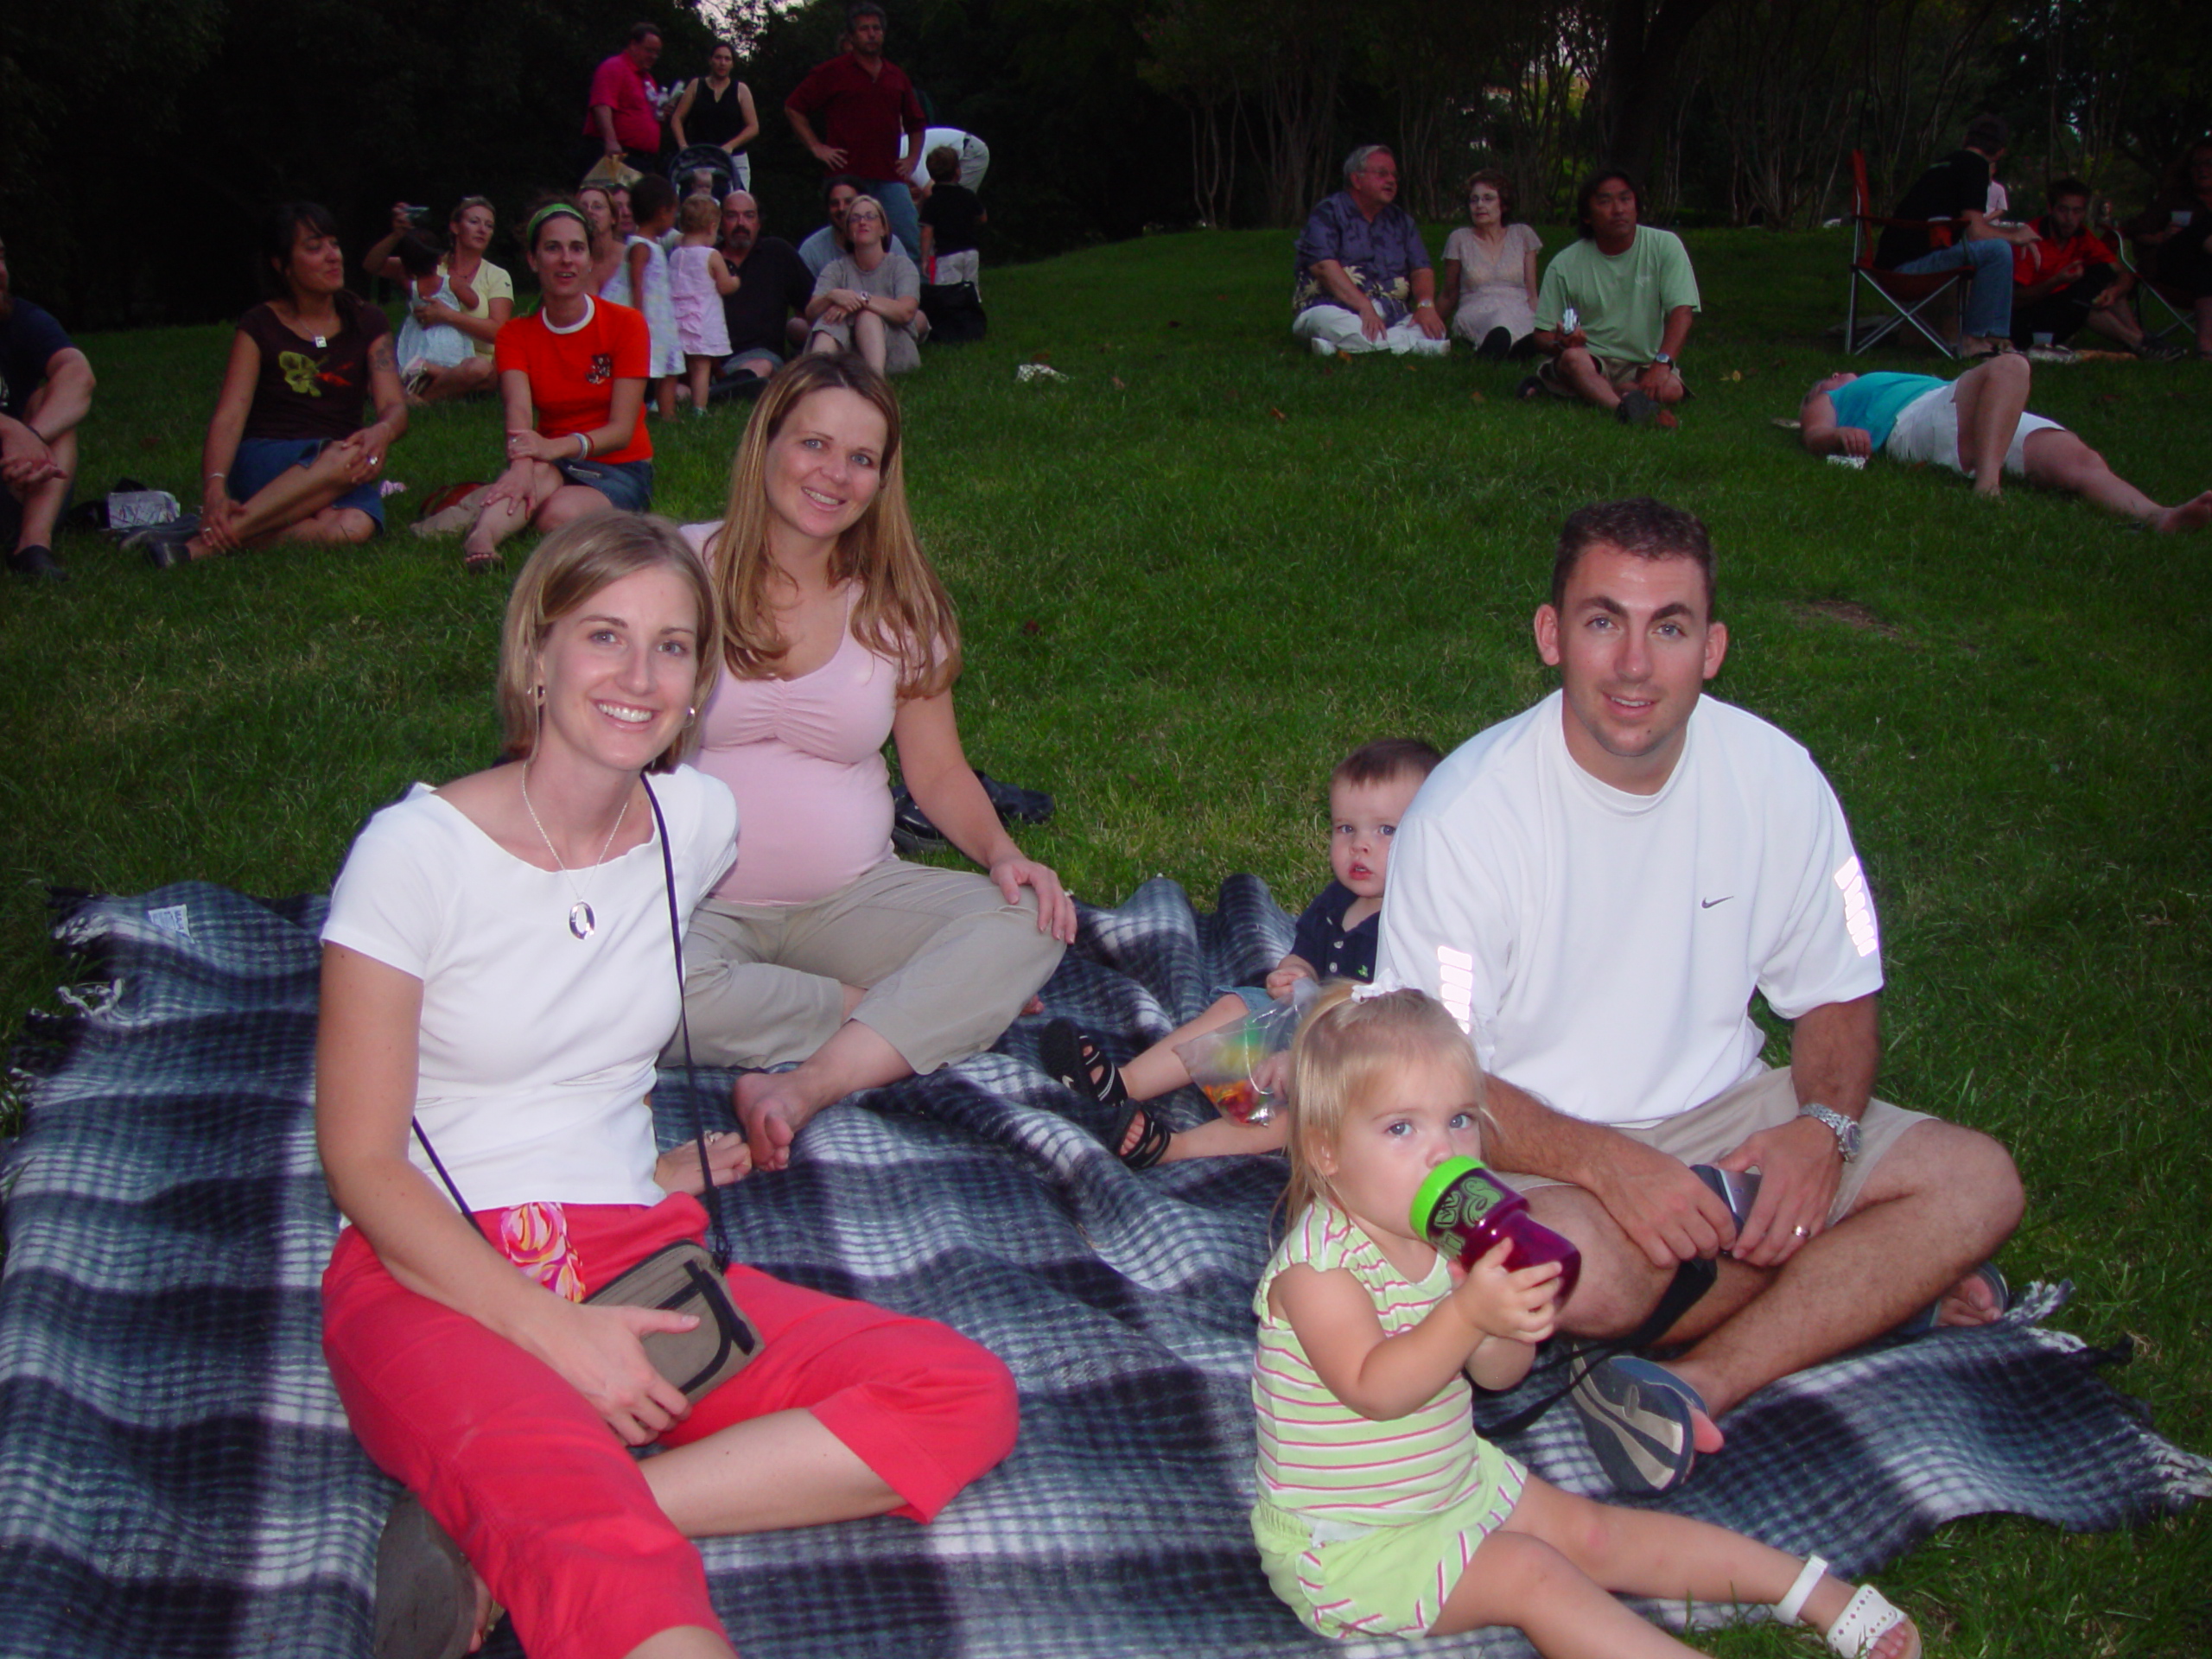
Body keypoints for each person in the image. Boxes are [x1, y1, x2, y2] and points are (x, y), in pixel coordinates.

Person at [316, 512, 1018, 1659]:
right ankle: (561, 1508)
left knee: (959, 1390)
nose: (639, 678)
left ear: (703, 684)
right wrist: (552, 1331)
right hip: (437, 1266)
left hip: (630, 1244)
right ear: (536, 656)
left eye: (675, 647)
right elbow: (357, 1160)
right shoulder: (416, 855)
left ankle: (519, 1517)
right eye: (604, 637)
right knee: (625, 1586)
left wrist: (642, 1173)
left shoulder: (693, 821)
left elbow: (580, 1036)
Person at [1376, 497, 2024, 1495]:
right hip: (1525, 1144)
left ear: (1711, 648)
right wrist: (1614, 1167)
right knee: (1573, 1273)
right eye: (1603, 621)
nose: (1634, 665)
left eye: (1667, 627)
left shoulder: (1777, 778)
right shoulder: (1465, 816)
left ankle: (1699, 1381)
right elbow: (1429, 1093)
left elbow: (1839, 998)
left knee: (1978, 1182)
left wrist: (1823, 1132)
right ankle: (1865, 1286)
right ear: (1552, 636)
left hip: (1727, 1117)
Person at [1249, 985, 1921, 1659]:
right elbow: (1378, 1387)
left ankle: (1804, 1587)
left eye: (1459, 1120)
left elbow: (1497, 1374)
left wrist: (1511, 1319)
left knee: (1593, 1535)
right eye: (1401, 1128)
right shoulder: (1318, 1273)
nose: (1443, 1151)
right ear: (1327, 1151)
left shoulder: (1450, 1241)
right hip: (1351, 1545)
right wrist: (1468, 1311)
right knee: (1532, 1576)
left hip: (1451, 1483)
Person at [675, 353, 1074, 1174]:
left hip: (854, 899)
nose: (835, 475)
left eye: (862, 458)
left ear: (883, 477)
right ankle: (891, 1017)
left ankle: (806, 1085)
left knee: (1031, 920)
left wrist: (1004, 855)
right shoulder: (680, 570)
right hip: (692, 900)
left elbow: (937, 774)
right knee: (636, 999)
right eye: (814, 444)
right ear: (766, 443)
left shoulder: (899, 602)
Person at [1039, 739, 1442, 1169]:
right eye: (1346, 828)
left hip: (1362, 1059)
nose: (1360, 846)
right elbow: (1304, 952)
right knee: (1237, 1003)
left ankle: (1173, 1148)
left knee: (1305, 1114)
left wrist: (1307, 1061)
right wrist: (1293, 971)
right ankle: (1124, 1084)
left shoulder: (1411, 927)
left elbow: (1389, 1028)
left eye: (1385, 830)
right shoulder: (1338, 899)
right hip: (1308, 1019)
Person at [143, 202, 406, 569]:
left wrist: (382, 431)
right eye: (315, 248)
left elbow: (393, 405)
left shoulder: (368, 320)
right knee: (339, 456)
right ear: (282, 265)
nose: (333, 257)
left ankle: (211, 538)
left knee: (353, 527)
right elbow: (230, 415)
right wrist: (215, 487)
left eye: (334, 244)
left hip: (344, 466)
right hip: (269, 455)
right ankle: (203, 546)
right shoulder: (260, 325)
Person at [445, 200, 653, 574]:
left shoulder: (627, 324)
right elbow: (519, 412)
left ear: (590, 259)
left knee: (554, 516)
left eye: (577, 248)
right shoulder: (515, 334)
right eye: (553, 248)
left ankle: (514, 505)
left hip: (619, 464)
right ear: (533, 259)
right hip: (550, 459)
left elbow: (622, 431)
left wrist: (548, 448)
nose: (566, 260)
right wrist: (523, 463)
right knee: (533, 478)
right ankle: (482, 538)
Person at [1800, 362, 2211, 530]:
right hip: (1915, 422)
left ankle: (2160, 516)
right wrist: (1838, 436)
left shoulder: (1902, 378)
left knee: (2080, 462)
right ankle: (1988, 483)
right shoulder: (1831, 397)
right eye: (1831, 376)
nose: (1840, 374)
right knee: (2011, 365)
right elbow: (1815, 435)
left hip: (1970, 412)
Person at [1524, 168, 1697, 425]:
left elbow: (1682, 312)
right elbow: (1542, 336)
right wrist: (1562, 343)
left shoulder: (1665, 246)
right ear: (1586, 216)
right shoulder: (1565, 263)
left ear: (1636, 206)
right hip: (1590, 358)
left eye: (1625, 199)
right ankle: (1624, 408)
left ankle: (1583, 390)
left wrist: (1661, 364)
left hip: (1641, 362)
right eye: (1605, 202)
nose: (1618, 210)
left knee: (1672, 389)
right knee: (1573, 359)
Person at [1872, 115, 2041, 359]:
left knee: (1995, 248)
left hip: (1890, 265)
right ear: (2000, 152)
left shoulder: (1943, 164)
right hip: (1908, 271)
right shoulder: (1975, 165)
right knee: (1998, 251)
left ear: (1965, 139)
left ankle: (1994, 339)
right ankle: (1976, 340)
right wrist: (2016, 236)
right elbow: (1977, 231)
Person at [785, 3, 928, 262]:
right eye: (864, 29)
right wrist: (817, 147)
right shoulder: (831, 72)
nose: (871, 34)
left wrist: (912, 159)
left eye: (876, 29)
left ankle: (915, 298)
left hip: (889, 176)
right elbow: (794, 107)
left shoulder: (895, 76)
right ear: (851, 36)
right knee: (846, 244)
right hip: (845, 177)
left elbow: (916, 122)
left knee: (907, 241)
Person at [1290, 145, 1448, 357]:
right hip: (1331, 307)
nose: (1391, 180)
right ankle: (1416, 346)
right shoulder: (1328, 212)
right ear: (1356, 180)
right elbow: (1322, 266)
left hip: (1391, 313)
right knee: (1339, 324)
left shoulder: (1402, 221)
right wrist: (1364, 306)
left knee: (1431, 326)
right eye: (1382, 174)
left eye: (1394, 175)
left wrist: (1426, 306)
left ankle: (1336, 346)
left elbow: (1421, 269)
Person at [0, 235, 94, 581]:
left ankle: (32, 546)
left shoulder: (20, 319)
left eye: (0, 258)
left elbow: (78, 374)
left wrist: (31, 440)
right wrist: (9, 430)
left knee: (49, 402)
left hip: (20, 480)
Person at [361, 197, 515, 402]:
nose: (482, 229)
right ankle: (419, 393)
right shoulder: (428, 263)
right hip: (422, 353)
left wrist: (447, 316)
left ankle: (416, 400)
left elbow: (499, 332)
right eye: (474, 222)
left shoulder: (497, 275)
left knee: (478, 370)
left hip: (472, 366)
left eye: (489, 226)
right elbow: (372, 266)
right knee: (369, 374)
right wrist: (397, 235)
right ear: (455, 227)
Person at [2010, 179, 2166, 357]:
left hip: (2063, 309)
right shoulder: (2031, 239)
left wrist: (2114, 292)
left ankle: (2140, 340)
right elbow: (2015, 300)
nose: (2069, 219)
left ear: (2084, 212)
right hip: (2027, 320)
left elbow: (2122, 272)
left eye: (2077, 211)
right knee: (2081, 295)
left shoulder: (2082, 235)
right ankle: (2139, 343)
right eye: (2063, 210)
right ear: (2050, 209)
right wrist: (2056, 281)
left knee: (2104, 274)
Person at [804, 194, 925, 376]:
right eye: (855, 218)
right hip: (846, 348)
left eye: (870, 216)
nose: (863, 222)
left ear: (883, 228)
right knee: (830, 318)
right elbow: (811, 312)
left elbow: (906, 312)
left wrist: (860, 300)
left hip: (892, 349)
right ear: (848, 232)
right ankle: (817, 378)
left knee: (867, 315)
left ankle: (876, 380)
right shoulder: (836, 268)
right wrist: (832, 296)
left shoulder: (901, 265)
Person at [710, 190, 814, 396]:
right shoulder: (705, 258)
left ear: (758, 223)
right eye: (732, 216)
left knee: (762, 366)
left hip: (761, 358)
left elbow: (812, 305)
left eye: (749, 216)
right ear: (721, 223)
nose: (741, 223)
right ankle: (719, 390)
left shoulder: (776, 253)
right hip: (709, 359)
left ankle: (721, 392)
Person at [2123, 136, 2212, 359]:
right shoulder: (2175, 198)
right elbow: (2133, 228)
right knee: (2204, 226)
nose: (2202, 169)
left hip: (2201, 272)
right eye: (2196, 164)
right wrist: (2161, 237)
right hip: (2170, 266)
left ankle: (2206, 347)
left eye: (2209, 163)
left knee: (2207, 268)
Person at [604, 175, 684, 420]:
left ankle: (667, 414)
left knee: (671, 369)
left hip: (661, 322)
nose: (674, 218)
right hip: (647, 320)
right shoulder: (641, 246)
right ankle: (632, 411)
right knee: (638, 370)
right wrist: (637, 316)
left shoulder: (654, 244)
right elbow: (636, 281)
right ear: (662, 212)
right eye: (673, 212)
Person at [1440, 169, 1542, 359]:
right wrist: (1433, 325)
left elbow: (1532, 293)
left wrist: (1545, 322)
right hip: (1477, 310)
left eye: (1488, 199)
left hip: (1518, 308)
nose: (1479, 205)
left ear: (1503, 204)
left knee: (1519, 322)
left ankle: (1513, 349)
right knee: (1499, 321)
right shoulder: (1459, 239)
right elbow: (1449, 293)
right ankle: (1502, 349)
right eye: (1474, 200)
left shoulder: (1523, 235)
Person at [670, 195, 739, 415]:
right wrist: (736, 280)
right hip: (702, 321)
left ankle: (665, 404)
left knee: (675, 368)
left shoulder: (675, 255)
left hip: (677, 320)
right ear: (711, 227)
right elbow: (725, 286)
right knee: (701, 367)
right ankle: (699, 408)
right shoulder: (711, 255)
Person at [671, 40, 761, 191]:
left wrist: (731, 145)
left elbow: (753, 127)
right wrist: (683, 146)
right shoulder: (696, 85)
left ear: (732, 64)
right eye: (718, 58)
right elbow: (677, 119)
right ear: (710, 60)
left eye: (727, 59)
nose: (722, 63)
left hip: (733, 159)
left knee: (736, 202)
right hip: (700, 158)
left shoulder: (741, 89)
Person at [581, 22, 666, 180]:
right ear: (633, 45)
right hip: (618, 154)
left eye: (657, 52)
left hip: (642, 159)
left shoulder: (647, 79)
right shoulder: (614, 67)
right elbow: (602, 105)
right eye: (649, 50)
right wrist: (611, 141)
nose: (653, 56)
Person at [389, 233, 476, 387]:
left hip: (419, 335)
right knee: (455, 371)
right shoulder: (451, 282)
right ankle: (425, 367)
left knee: (429, 381)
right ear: (439, 259)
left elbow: (400, 273)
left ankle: (422, 371)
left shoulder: (411, 286)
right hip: (447, 335)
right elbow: (473, 302)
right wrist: (463, 283)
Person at [917, 144, 985, 291]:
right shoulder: (968, 195)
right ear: (957, 172)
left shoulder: (933, 201)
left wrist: (924, 259)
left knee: (948, 293)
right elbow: (983, 217)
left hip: (947, 255)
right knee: (971, 290)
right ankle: (972, 311)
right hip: (970, 251)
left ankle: (952, 313)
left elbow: (926, 232)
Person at [798, 176, 863, 278]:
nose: (841, 209)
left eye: (849, 202)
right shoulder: (812, 250)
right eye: (835, 203)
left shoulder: (888, 243)